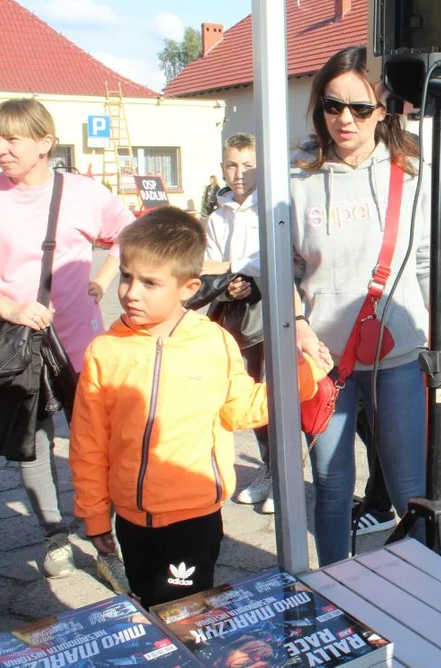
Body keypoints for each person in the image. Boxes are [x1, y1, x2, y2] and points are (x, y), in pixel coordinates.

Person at [68, 207, 327, 609]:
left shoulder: (212, 343)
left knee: (188, 612)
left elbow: (240, 409)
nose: (131, 292)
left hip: (193, 516)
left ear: (188, 287)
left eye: (150, 283)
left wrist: (304, 378)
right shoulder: (104, 350)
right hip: (131, 518)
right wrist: (95, 513)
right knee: (147, 605)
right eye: (126, 277)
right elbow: (87, 442)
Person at [289, 45, 441, 565]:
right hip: (324, 360)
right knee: (331, 482)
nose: (345, 119)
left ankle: (417, 591)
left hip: (399, 352)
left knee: (410, 485)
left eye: (360, 108)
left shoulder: (409, 172)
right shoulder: (296, 178)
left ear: (383, 109)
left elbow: (432, 267)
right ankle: (337, 590)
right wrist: (297, 324)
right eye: (332, 105)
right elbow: (284, 269)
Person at [0, 98, 134, 589]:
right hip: (15, 348)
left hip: (79, 346)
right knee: (33, 444)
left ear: (45, 142)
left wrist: (105, 278)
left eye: (13, 138)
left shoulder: (83, 192)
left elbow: (132, 234)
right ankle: (54, 535)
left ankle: (105, 537)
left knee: (95, 444)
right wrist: (11, 308)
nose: (1, 149)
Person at [201, 132, 275, 515]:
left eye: (248, 165)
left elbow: (272, 258)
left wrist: (234, 269)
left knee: (275, 390)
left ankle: (284, 473)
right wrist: (229, 281)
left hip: (271, 311)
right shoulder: (217, 215)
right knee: (246, 394)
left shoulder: (272, 207)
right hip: (235, 313)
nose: (239, 172)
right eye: (232, 164)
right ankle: (268, 466)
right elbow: (208, 265)